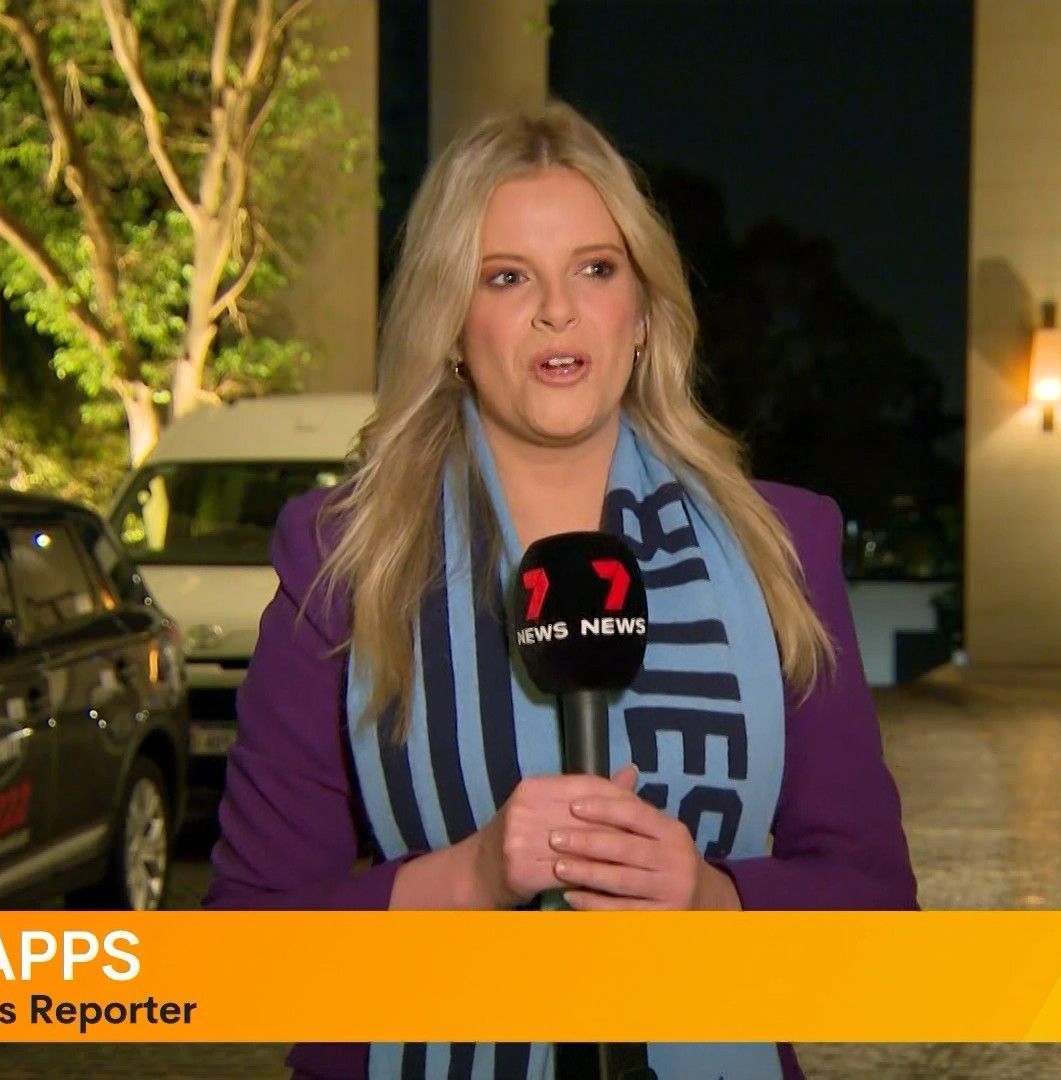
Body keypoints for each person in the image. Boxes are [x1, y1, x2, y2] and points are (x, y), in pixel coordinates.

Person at [204, 101, 917, 1080]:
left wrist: (711, 901)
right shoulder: (343, 557)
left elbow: (878, 924)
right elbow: (244, 962)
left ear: (644, 315)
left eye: (595, 268)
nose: (557, 310)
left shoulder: (782, 547)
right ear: (452, 326)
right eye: (506, 276)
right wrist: (468, 879)